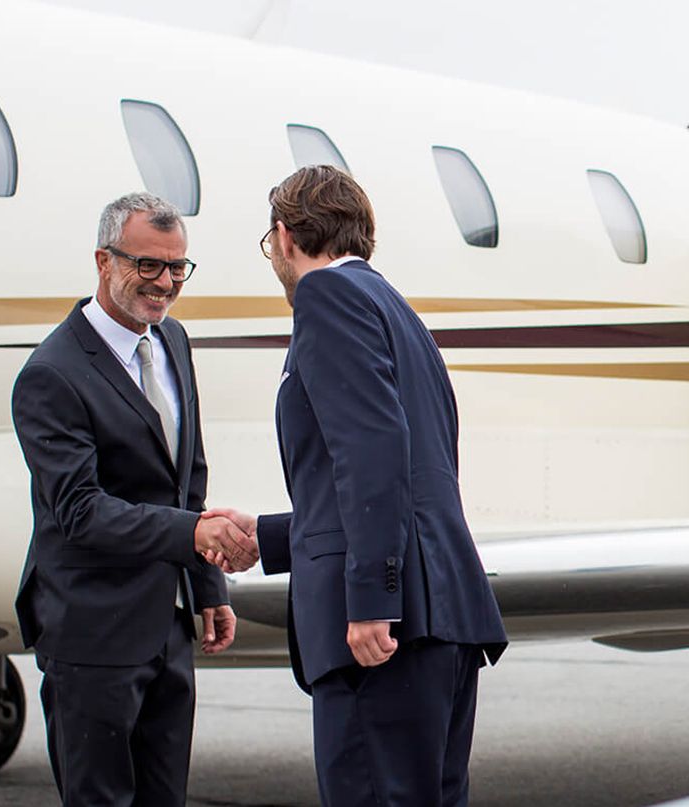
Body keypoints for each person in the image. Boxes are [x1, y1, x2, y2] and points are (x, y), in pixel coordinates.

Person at [203, 165, 506, 806]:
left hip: (388, 630)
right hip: (441, 614)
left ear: (284, 237)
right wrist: (268, 536)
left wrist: (372, 598)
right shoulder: (397, 309)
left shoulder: (326, 298)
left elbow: (371, 454)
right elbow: (411, 471)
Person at [11, 192, 256, 806]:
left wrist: (206, 586)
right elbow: (79, 510)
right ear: (104, 261)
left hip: (166, 629)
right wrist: (191, 535)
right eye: (148, 265)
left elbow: (186, 476)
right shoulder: (53, 373)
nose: (165, 283)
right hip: (91, 634)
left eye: (178, 268)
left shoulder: (172, 342)